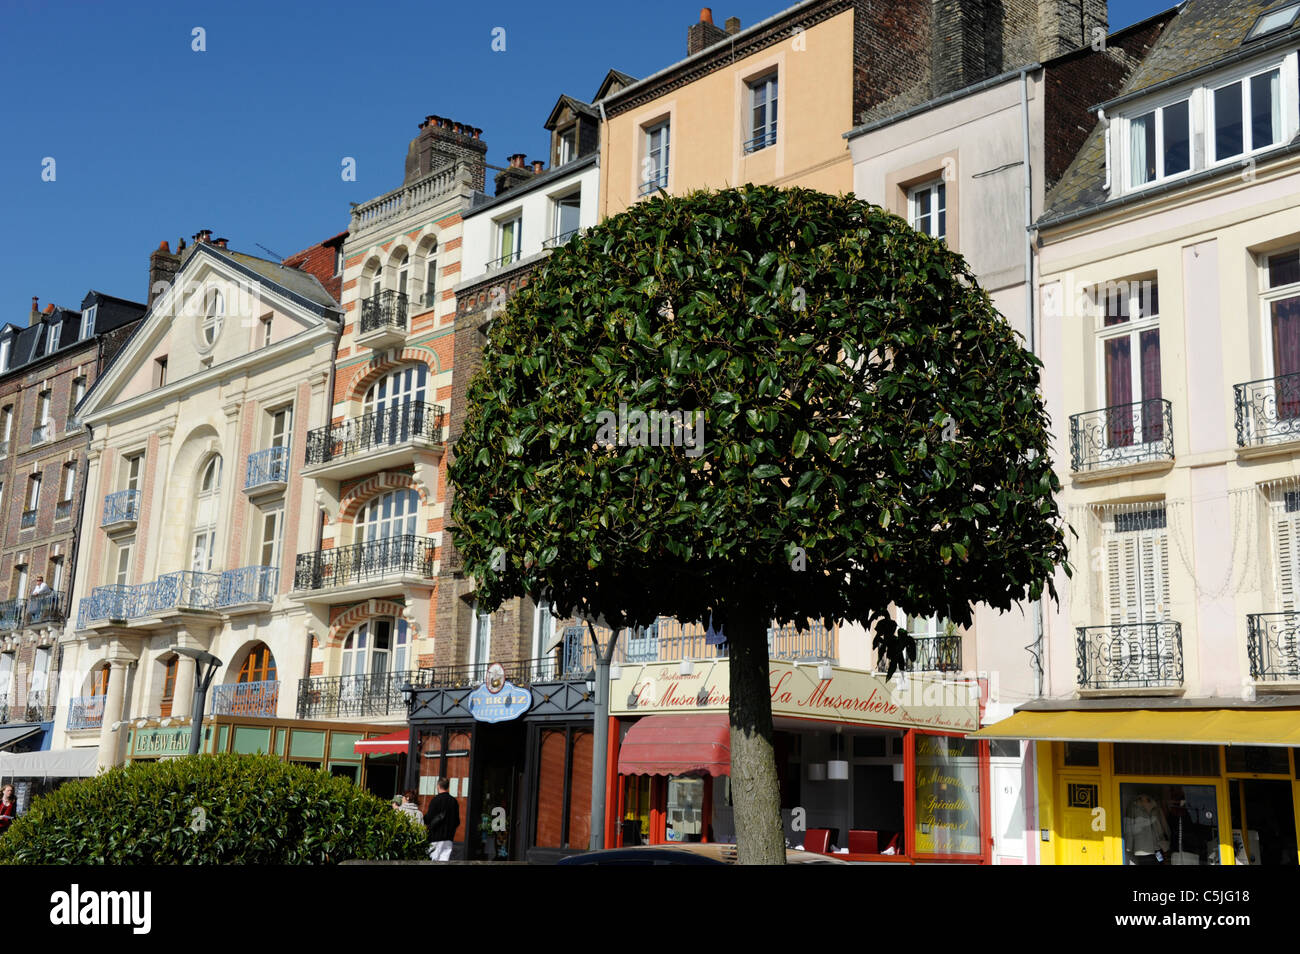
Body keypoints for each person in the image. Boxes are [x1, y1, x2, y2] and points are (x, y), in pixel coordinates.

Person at [425, 778, 459, 862]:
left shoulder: (435, 800)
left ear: (438, 786)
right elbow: (457, 821)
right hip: (448, 837)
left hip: (435, 837)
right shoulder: (453, 801)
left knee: (433, 860)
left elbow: (429, 817)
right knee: (444, 860)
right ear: (447, 786)